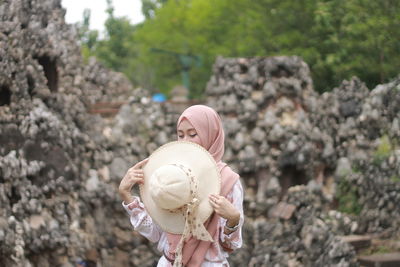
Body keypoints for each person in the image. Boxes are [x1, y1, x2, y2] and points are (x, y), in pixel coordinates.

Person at [119, 105, 244, 267]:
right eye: (180, 135)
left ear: (211, 135)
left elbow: (230, 245)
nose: (185, 141)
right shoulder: (170, 173)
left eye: (193, 134)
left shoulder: (227, 181)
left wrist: (233, 219)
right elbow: (157, 233)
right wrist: (126, 195)